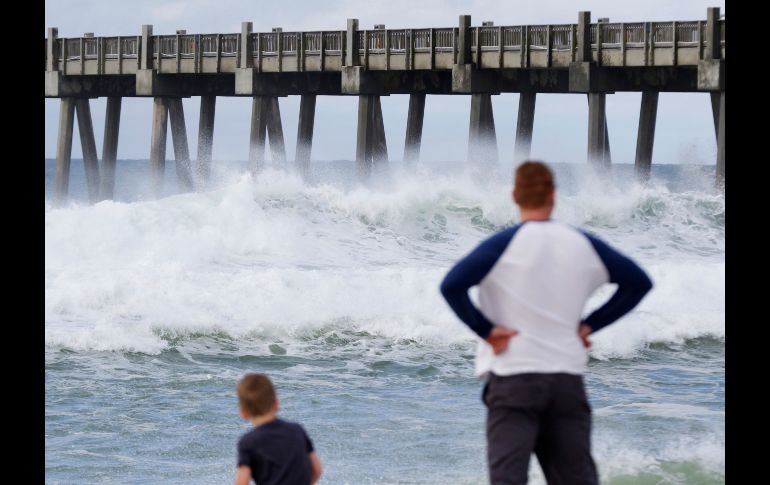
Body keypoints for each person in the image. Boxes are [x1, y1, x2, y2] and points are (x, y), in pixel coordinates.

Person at [440, 161, 652, 484]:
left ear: (514, 195)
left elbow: (451, 285)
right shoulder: (582, 243)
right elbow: (638, 282)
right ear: (553, 195)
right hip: (566, 382)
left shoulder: (501, 245)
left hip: (514, 379)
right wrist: (590, 324)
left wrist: (487, 331)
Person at [235, 373, 323, 485]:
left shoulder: (248, 442)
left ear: (243, 413)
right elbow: (317, 470)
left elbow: (242, 483)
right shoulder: (297, 430)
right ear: (276, 404)